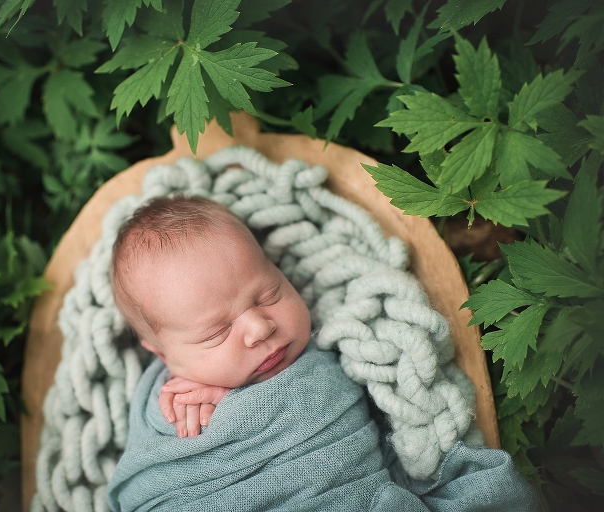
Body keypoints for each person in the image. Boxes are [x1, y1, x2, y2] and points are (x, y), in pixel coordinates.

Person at [107, 195, 539, 511]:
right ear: (160, 353)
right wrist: (219, 419)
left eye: (268, 294)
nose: (260, 328)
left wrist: (235, 400)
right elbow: (150, 486)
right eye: (217, 332)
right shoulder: (162, 408)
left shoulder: (342, 341)